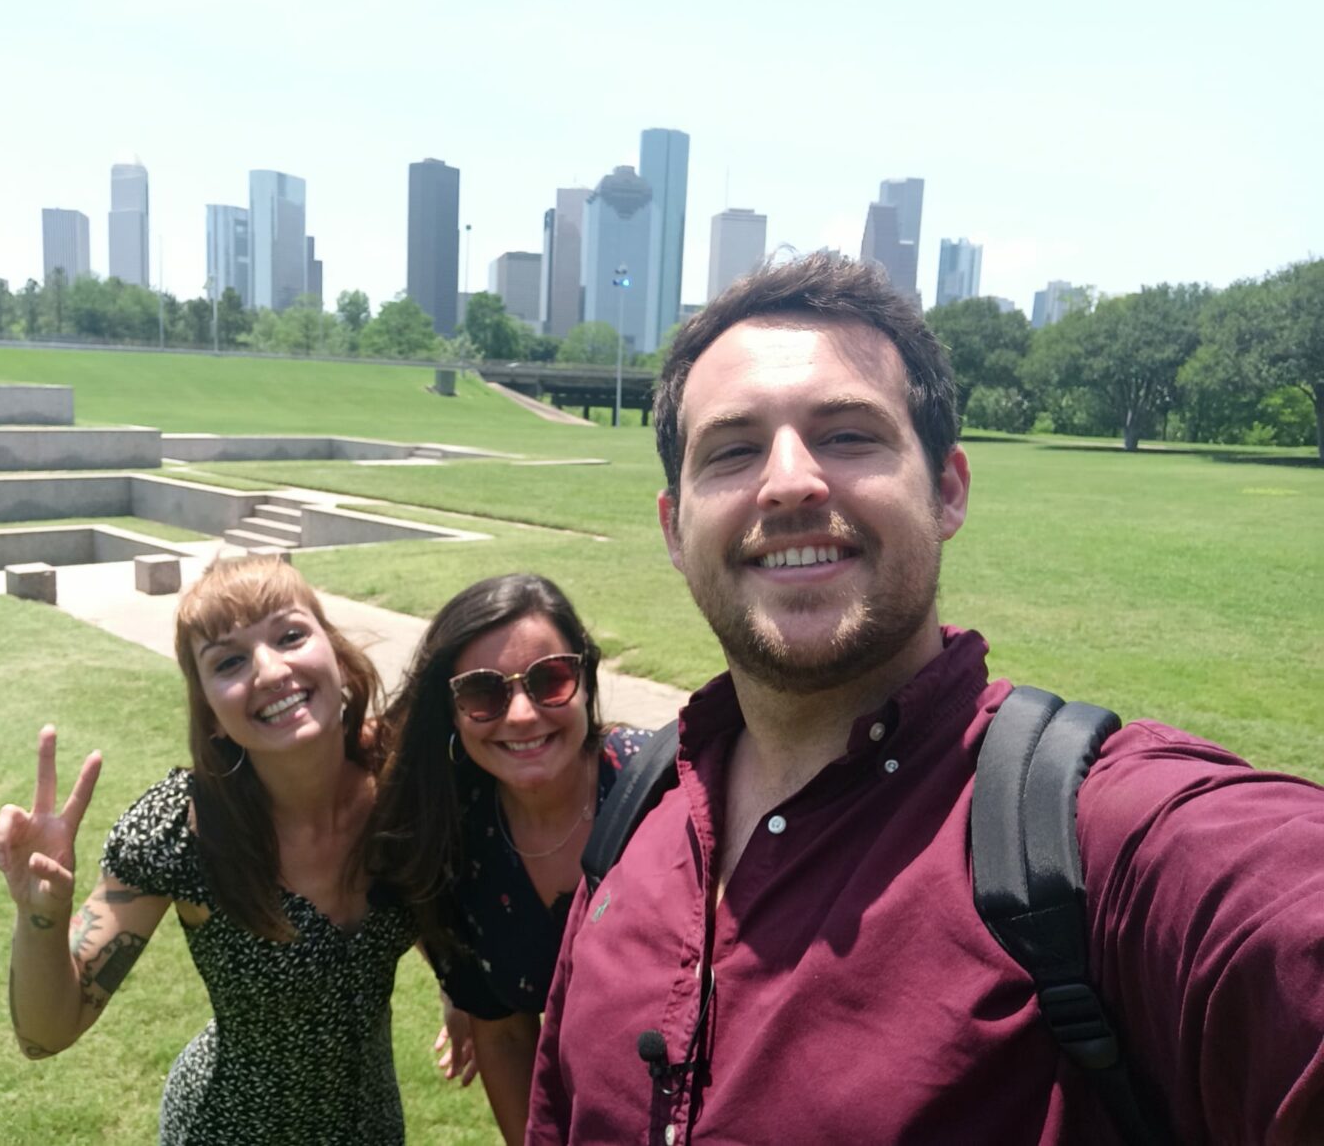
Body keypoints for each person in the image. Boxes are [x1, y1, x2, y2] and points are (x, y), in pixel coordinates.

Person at [525, 255, 1324, 1144]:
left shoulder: (1091, 839)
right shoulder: (633, 819)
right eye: (734, 450)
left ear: (946, 491)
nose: (789, 480)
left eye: (847, 435)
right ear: (675, 528)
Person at [0, 554, 416, 1144]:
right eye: (229, 661)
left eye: (290, 636)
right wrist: (41, 915)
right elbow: (45, 1035)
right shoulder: (181, 831)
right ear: (210, 713)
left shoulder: (402, 783)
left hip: (372, 1128)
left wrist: (463, 996)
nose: (270, 670)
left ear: (336, 655)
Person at [365, 573, 651, 1144]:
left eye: (551, 679)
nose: (521, 714)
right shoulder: (453, 842)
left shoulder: (663, 790)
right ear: (450, 712)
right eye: (482, 692)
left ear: (586, 680)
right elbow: (503, 1034)